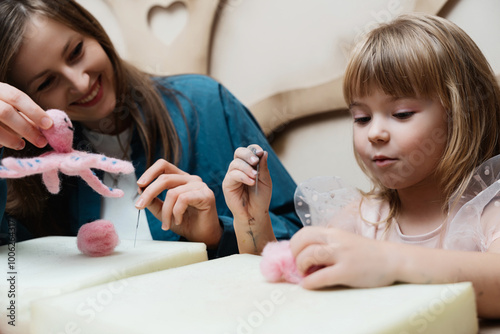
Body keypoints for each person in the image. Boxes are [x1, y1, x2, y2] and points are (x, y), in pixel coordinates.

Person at [223, 13, 500, 318]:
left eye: (402, 113)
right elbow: (287, 290)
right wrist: (252, 222)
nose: (374, 133)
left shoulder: (488, 211)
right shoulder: (360, 218)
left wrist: (387, 261)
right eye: (362, 118)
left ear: (462, 115)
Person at [0, 0, 302, 258]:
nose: (80, 82)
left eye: (76, 51)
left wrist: (216, 232)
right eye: (47, 82)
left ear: (95, 33)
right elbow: (14, 262)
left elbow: (297, 232)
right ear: (26, 100)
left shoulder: (205, 104)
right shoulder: (27, 166)